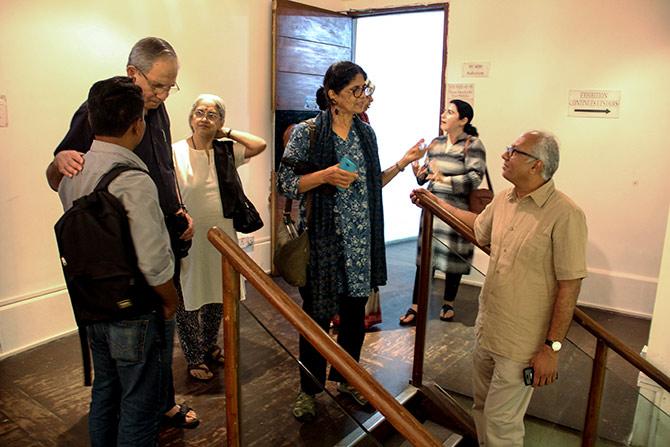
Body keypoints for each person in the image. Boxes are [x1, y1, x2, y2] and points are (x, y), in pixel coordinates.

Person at [45, 37, 198, 428]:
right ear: (133, 74)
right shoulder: (104, 109)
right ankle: (147, 406)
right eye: (158, 85)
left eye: (170, 86)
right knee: (143, 346)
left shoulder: (155, 110)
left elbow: (162, 167)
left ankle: (161, 401)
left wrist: (180, 209)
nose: (163, 95)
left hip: (164, 237)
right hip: (129, 261)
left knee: (160, 340)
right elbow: (63, 176)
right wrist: (58, 160)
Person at [411, 130, 588, 446]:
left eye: (514, 151)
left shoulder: (566, 214)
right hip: (488, 330)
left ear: (536, 165)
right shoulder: (505, 200)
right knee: (482, 411)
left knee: (501, 425)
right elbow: (478, 230)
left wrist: (552, 347)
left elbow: (569, 286)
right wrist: (435, 202)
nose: (505, 155)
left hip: (522, 344)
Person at [277, 61, 426, 422]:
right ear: (333, 95)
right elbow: (285, 182)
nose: (364, 97)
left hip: (361, 242)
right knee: (316, 319)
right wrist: (325, 175)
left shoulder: (365, 135)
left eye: (366, 88)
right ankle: (308, 390)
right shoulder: (308, 133)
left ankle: (347, 379)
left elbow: (371, 184)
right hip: (324, 242)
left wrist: (404, 163)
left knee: (355, 318)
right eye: (356, 90)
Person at [58, 76, 179, 446]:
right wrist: (170, 300)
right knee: (140, 406)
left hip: (92, 305)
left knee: (105, 394)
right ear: (137, 124)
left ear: (91, 120)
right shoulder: (134, 181)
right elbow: (153, 259)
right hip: (135, 310)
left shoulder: (72, 174)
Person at [172, 94, 266, 380]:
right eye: (199, 113)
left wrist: (224, 132)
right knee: (188, 295)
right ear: (190, 118)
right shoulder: (174, 151)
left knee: (218, 290)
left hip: (223, 234)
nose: (204, 119)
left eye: (212, 115)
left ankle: (210, 345)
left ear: (221, 121)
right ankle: (194, 357)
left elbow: (258, 145)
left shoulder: (225, 151)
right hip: (189, 234)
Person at [399, 99, 487, 326]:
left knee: (453, 259)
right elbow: (426, 176)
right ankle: (416, 306)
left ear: (464, 120)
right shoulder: (435, 143)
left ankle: (448, 302)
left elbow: (474, 178)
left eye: (450, 112)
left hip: (457, 211)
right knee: (424, 258)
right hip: (431, 208)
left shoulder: (473, 144)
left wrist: (444, 180)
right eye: (444, 111)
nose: (443, 115)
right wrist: (418, 171)